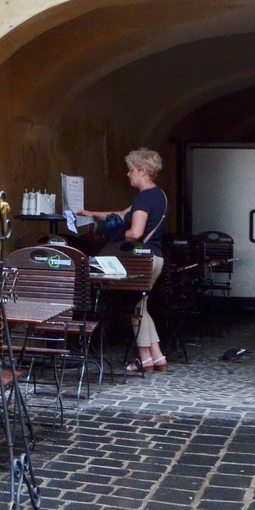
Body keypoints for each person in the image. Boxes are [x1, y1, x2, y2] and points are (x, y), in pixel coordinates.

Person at [79, 148, 168, 373]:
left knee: (135, 308)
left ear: (143, 170)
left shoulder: (143, 198)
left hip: (140, 259)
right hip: (155, 258)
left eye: (131, 170)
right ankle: (156, 358)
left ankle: (146, 359)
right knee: (141, 307)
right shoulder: (158, 196)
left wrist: (119, 232)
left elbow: (135, 232)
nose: (128, 175)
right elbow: (121, 213)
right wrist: (90, 213)